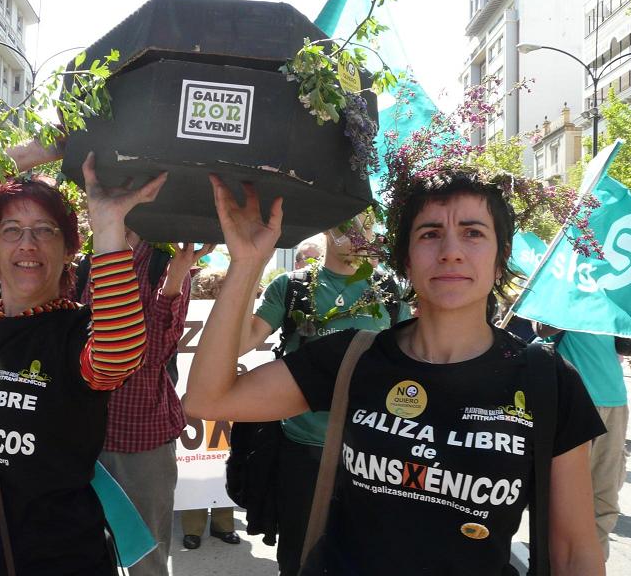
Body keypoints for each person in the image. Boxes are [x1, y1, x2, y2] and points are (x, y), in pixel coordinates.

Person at [184, 169, 606, 575]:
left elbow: (573, 554)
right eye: (430, 233)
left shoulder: (547, 380)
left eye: (474, 232)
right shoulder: (352, 356)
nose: (451, 250)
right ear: (406, 259)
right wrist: (246, 263)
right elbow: (208, 399)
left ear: (501, 260)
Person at [0, 142, 164, 575]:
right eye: (11, 230)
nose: (27, 243)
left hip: (56, 562)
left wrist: (107, 224)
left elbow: (118, 354)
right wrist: (52, 145)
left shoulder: (75, 335)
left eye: (45, 230)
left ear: (68, 252)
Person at [239, 217, 403, 575]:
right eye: (350, 225)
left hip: (371, 458)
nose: (362, 233)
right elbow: (239, 343)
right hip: (303, 453)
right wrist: (248, 265)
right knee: (300, 561)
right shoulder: (292, 286)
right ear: (328, 228)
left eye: (369, 225)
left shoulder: (390, 290)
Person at [93, 234, 213, 576]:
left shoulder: (163, 259)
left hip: (141, 436)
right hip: (88, 435)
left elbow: (156, 352)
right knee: (87, 549)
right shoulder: (93, 257)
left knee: (147, 559)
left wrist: (176, 277)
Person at [532, 326, 627, 560]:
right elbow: (541, 328)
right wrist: (580, 308)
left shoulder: (616, 291)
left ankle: (594, 565)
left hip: (616, 400)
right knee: (564, 504)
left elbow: (627, 341)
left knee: (605, 502)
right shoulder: (567, 289)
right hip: (574, 399)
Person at [179, 268, 241, 550]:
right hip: (195, 396)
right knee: (197, 462)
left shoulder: (234, 318)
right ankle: (193, 528)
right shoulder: (189, 315)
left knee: (222, 459)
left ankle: (223, 525)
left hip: (227, 396)